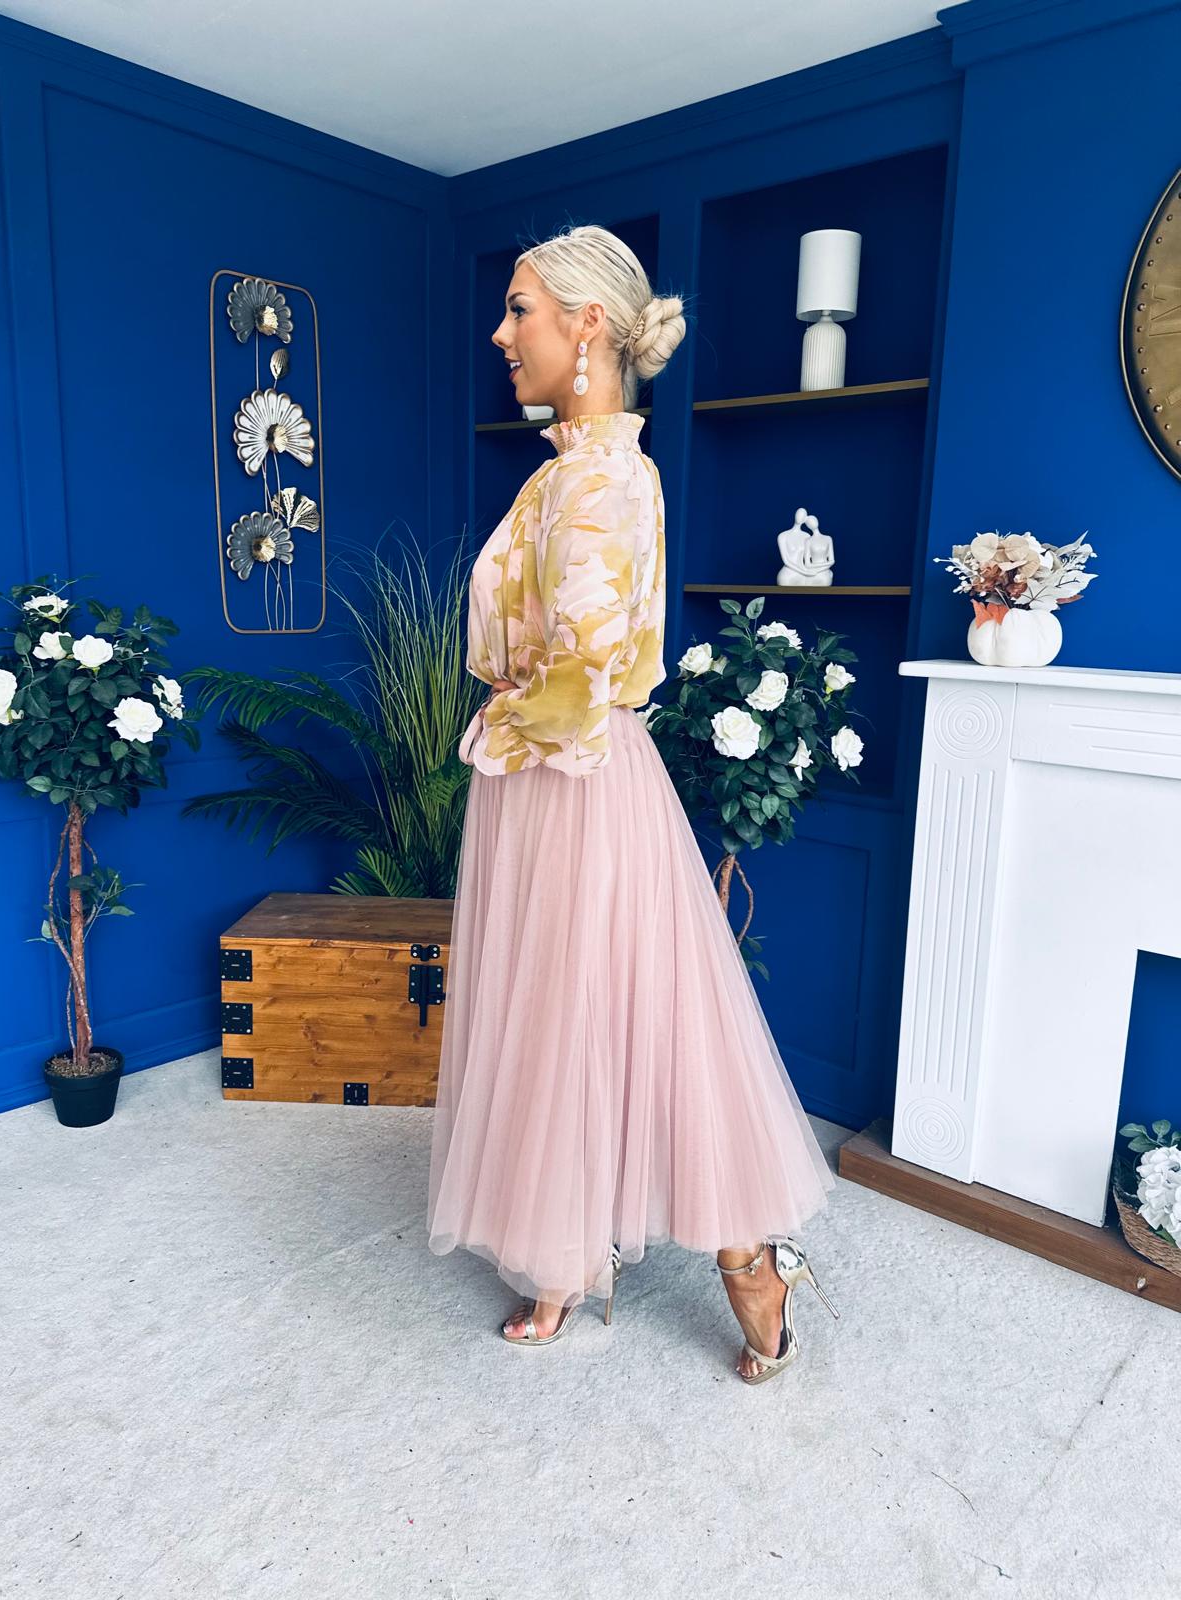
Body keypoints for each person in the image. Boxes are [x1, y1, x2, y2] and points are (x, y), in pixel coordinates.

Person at [425, 223, 839, 1385]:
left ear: (588, 325)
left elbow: (584, 669)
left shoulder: (603, 478)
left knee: (631, 1011)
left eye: (520, 309)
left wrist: (510, 714)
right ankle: (565, 1254)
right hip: (542, 773)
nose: (501, 333)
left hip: (571, 775)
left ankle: (749, 1258)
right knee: (561, 1014)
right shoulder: (569, 470)